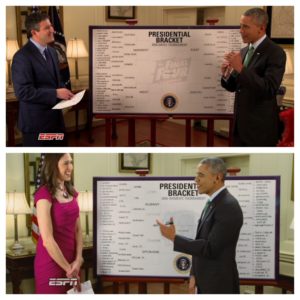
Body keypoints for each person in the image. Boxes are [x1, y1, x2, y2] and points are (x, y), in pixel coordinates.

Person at [157, 157, 243, 294]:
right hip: (204, 282)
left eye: (201, 175)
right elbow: (200, 242)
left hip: (219, 286)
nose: (195, 180)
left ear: (217, 177)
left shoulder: (228, 206)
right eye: (196, 175)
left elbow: (210, 248)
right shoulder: (212, 202)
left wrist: (174, 238)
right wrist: (194, 274)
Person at [221, 8, 286, 146]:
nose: (240, 30)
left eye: (245, 26)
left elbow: (269, 88)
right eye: (240, 25)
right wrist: (226, 74)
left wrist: (240, 69)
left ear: (261, 28)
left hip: (260, 130)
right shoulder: (244, 51)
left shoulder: (276, 52)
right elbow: (233, 87)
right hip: (239, 127)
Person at [11, 12, 74, 146]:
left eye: (51, 26)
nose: (52, 30)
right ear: (34, 32)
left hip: (57, 122)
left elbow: (56, 81)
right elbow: (23, 92)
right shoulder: (22, 57)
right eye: (47, 28)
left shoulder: (52, 51)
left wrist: (65, 93)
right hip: (36, 126)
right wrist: (56, 93)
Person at [34, 153, 83, 293]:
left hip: (73, 264)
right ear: (54, 165)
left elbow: (78, 230)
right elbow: (47, 240)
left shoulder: (72, 192)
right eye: (66, 163)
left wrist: (79, 259)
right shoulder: (43, 194)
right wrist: (68, 269)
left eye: (71, 162)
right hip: (52, 264)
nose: (70, 167)